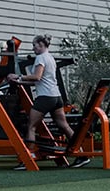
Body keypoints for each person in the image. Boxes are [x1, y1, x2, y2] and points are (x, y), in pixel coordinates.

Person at [7, 34, 90, 169]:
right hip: (56, 97)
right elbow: (39, 81)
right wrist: (19, 82)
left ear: (41, 45)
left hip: (45, 97)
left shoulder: (40, 58)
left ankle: (27, 159)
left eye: (34, 45)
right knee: (64, 126)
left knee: (31, 126)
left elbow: (37, 77)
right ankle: (82, 155)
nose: (33, 48)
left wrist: (18, 76)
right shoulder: (50, 58)